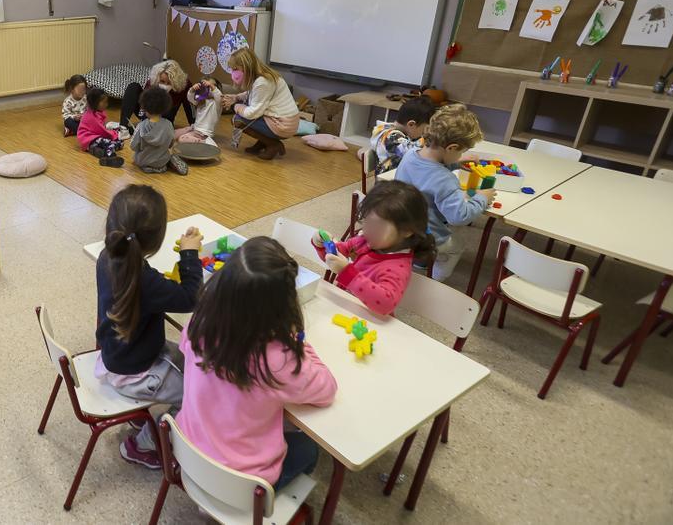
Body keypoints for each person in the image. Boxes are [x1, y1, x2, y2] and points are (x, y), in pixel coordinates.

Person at [176, 237, 337, 489]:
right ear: (283, 306)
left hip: (189, 451)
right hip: (243, 483)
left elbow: (184, 350)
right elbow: (327, 390)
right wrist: (300, 344)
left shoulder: (199, 322)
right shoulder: (279, 359)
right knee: (308, 449)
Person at [96, 185, 203, 468]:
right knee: (199, 392)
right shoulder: (146, 282)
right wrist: (190, 256)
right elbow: (192, 297)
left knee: (188, 362)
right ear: (156, 239)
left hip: (114, 356)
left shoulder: (107, 258)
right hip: (132, 370)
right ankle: (142, 444)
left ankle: (139, 410)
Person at [394, 104, 491, 281]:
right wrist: (482, 198)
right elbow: (459, 217)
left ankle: (418, 258)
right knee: (458, 245)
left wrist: (455, 162)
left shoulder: (410, 155)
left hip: (398, 226)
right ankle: (436, 281)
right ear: (452, 148)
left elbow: (427, 170)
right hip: (426, 238)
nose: (462, 155)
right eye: (462, 151)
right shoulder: (446, 180)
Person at [314, 180, 435, 315]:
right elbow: (335, 255)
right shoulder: (365, 240)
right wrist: (322, 245)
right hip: (345, 307)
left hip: (368, 322)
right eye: (366, 221)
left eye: (378, 226)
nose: (367, 230)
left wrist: (346, 271)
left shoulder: (397, 267)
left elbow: (385, 304)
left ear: (407, 230)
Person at [222, 48, 300, 160]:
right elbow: (253, 94)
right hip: (285, 120)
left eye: (236, 69)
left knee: (238, 120)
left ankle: (273, 145)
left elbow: (252, 113)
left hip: (283, 124)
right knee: (245, 111)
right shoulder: (262, 76)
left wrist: (234, 106)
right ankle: (263, 143)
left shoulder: (262, 82)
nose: (234, 73)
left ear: (246, 66)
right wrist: (236, 97)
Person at [119, 59, 194, 131]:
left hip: (166, 116)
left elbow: (189, 106)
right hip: (148, 112)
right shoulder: (153, 81)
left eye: (169, 83)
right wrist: (144, 118)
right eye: (162, 81)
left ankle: (142, 129)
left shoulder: (184, 84)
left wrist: (193, 125)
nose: (165, 85)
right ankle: (123, 128)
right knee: (133, 86)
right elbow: (144, 103)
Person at [370, 96, 436, 174]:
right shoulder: (390, 136)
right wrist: (427, 139)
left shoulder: (401, 133)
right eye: (424, 130)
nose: (423, 134)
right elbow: (410, 152)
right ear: (411, 124)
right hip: (388, 181)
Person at [131, 86, 189, 175]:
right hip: (162, 160)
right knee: (166, 155)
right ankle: (164, 165)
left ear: (144, 107)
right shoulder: (168, 125)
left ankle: (149, 167)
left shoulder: (141, 126)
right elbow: (170, 144)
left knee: (135, 156)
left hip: (143, 161)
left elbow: (133, 146)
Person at [77, 87, 126, 168]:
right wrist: (115, 134)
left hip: (95, 138)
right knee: (111, 143)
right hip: (89, 139)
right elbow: (102, 131)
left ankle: (97, 151)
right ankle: (109, 157)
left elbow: (102, 129)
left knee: (120, 143)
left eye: (106, 102)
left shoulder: (99, 112)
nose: (106, 104)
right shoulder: (91, 116)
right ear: (95, 103)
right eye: (104, 102)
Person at [173, 77, 222, 146]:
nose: (207, 88)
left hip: (203, 133)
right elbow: (190, 98)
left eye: (209, 86)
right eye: (204, 86)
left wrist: (211, 85)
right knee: (173, 134)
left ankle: (206, 142)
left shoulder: (216, 104)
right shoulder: (200, 100)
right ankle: (191, 134)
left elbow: (218, 96)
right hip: (195, 128)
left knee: (182, 139)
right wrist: (192, 89)